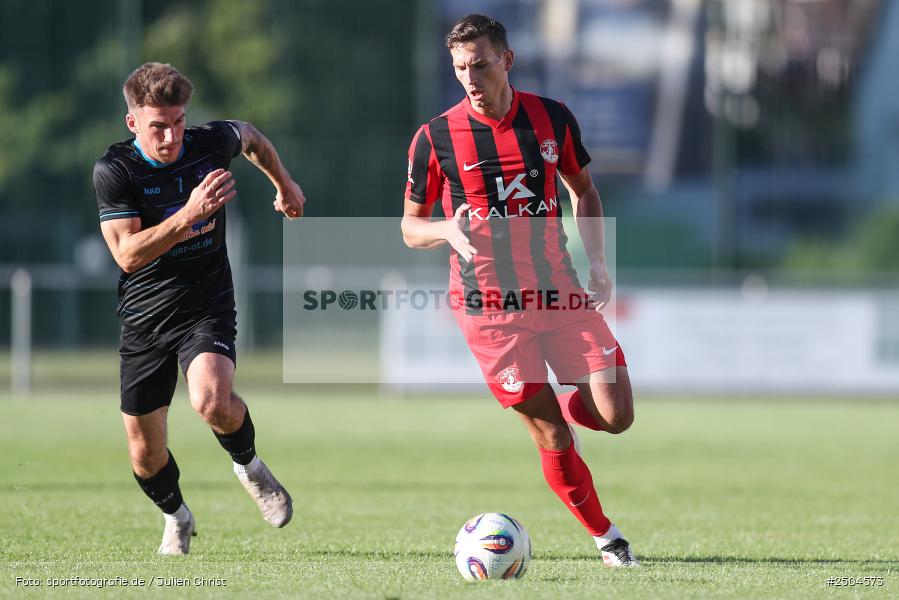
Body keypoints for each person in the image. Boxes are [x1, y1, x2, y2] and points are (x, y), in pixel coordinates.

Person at [401, 15, 638, 567]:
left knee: (618, 413)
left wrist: (598, 261)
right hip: (491, 314)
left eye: (480, 65)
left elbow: (585, 191)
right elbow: (410, 228)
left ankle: (558, 406)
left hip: (559, 294)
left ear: (506, 60)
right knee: (552, 432)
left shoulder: (551, 119)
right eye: (460, 68)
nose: (469, 78)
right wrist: (444, 230)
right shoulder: (434, 137)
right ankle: (608, 538)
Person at [93, 62, 305, 555]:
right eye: (157, 126)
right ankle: (177, 516)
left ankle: (251, 469)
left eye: (178, 121)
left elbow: (250, 136)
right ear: (133, 124)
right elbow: (127, 254)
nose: (170, 136)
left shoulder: (209, 143)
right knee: (146, 454)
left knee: (212, 400)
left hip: (206, 303)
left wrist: (284, 184)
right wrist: (190, 214)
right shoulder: (115, 170)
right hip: (144, 318)